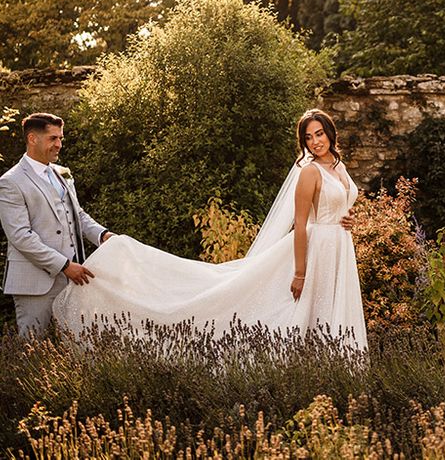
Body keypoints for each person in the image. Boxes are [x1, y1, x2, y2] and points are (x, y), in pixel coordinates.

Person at [52, 109, 367, 349]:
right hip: (316, 249)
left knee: (332, 308)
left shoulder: (338, 165)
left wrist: (347, 218)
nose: (315, 141)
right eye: (309, 137)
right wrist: (299, 273)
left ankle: (339, 364)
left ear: (330, 132)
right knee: (302, 309)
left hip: (339, 247)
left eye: (319, 134)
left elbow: (340, 201)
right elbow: (301, 225)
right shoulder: (309, 172)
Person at [0, 113, 113, 337]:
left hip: (73, 279)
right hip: (34, 283)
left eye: (60, 138)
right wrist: (64, 265)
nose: (59, 144)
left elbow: (77, 215)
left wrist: (103, 236)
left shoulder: (61, 174)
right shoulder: (10, 182)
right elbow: (21, 236)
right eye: (53, 138)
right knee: (34, 348)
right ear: (33, 138)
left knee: (75, 346)